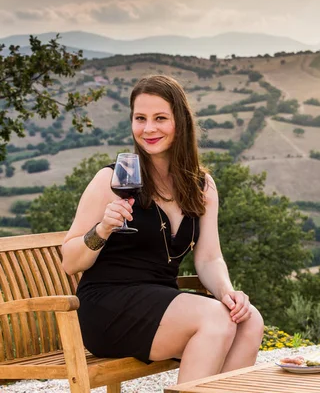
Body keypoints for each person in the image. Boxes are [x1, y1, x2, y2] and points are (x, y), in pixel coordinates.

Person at [61, 75, 264, 384]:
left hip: (164, 305)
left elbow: (209, 258)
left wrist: (226, 291)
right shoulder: (110, 180)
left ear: (179, 123)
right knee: (214, 319)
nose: (148, 128)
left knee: (249, 321)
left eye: (160, 118)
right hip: (108, 307)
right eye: (140, 118)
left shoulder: (202, 187)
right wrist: (102, 229)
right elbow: (69, 261)